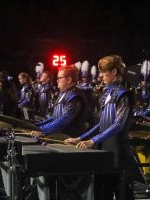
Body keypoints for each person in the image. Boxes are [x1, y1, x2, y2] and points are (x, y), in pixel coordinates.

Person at [65, 55, 134, 200]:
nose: (101, 76)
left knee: (123, 195)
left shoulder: (123, 94)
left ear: (114, 71)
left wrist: (92, 141)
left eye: (104, 72)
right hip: (103, 151)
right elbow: (101, 123)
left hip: (118, 152)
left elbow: (118, 124)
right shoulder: (107, 93)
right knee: (101, 193)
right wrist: (80, 138)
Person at [31, 65, 93, 200]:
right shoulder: (63, 94)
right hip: (60, 140)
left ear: (69, 79)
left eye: (59, 78)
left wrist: (41, 131)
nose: (57, 81)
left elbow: (64, 121)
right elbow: (54, 118)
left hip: (71, 141)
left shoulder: (75, 97)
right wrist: (34, 126)